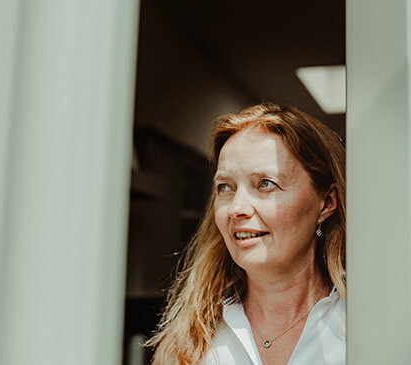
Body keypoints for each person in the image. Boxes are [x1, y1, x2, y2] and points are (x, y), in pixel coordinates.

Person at [146, 103, 346, 365]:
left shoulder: (364, 327)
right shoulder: (184, 347)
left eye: (265, 184)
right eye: (225, 187)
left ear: (326, 202)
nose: (236, 209)